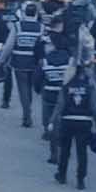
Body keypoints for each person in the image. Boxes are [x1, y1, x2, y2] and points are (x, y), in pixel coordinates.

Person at [49, 59, 96, 189]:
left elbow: (60, 105)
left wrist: (52, 120)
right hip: (84, 122)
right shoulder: (88, 88)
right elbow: (94, 107)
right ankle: (81, 179)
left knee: (65, 149)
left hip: (67, 120)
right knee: (82, 151)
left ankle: (62, 175)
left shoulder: (66, 86)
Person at [0, 1, 46, 127]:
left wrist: (2, 59)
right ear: (36, 14)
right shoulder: (41, 27)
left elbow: (9, 45)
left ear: (23, 13)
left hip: (19, 62)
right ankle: (27, 110)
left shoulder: (17, 26)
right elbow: (44, 46)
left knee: (23, 88)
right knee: (30, 88)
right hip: (35, 63)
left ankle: (27, 114)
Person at [34, 18, 74, 165]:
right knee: (63, 119)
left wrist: (38, 89)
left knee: (49, 120)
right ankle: (64, 146)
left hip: (49, 93)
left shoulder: (46, 59)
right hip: (65, 94)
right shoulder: (70, 59)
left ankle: (53, 153)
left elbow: (38, 77)